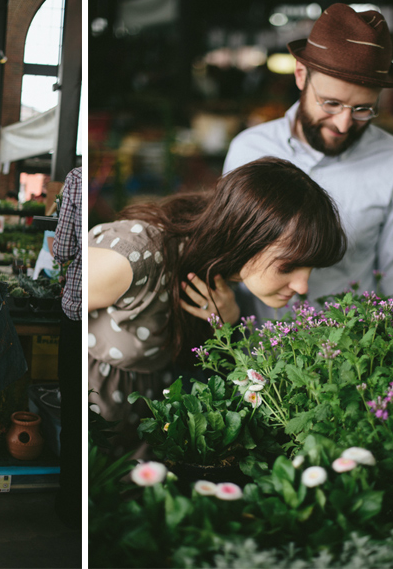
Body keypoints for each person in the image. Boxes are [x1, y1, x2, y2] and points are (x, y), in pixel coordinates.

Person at [88, 157, 347, 454]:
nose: (303, 287)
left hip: (142, 436)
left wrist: (228, 323)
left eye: (310, 268)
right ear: (245, 238)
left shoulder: (222, 273)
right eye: (288, 267)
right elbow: (65, 308)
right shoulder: (136, 257)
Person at [223, 3, 393, 323]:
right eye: (331, 103)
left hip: (352, 358)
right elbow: (230, 257)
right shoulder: (248, 149)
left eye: (363, 109)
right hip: (257, 354)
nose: (344, 124)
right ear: (301, 75)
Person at [52, 167, 82, 529]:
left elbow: (62, 250)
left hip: (77, 314)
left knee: (73, 411)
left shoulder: (77, 177)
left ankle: (70, 502)